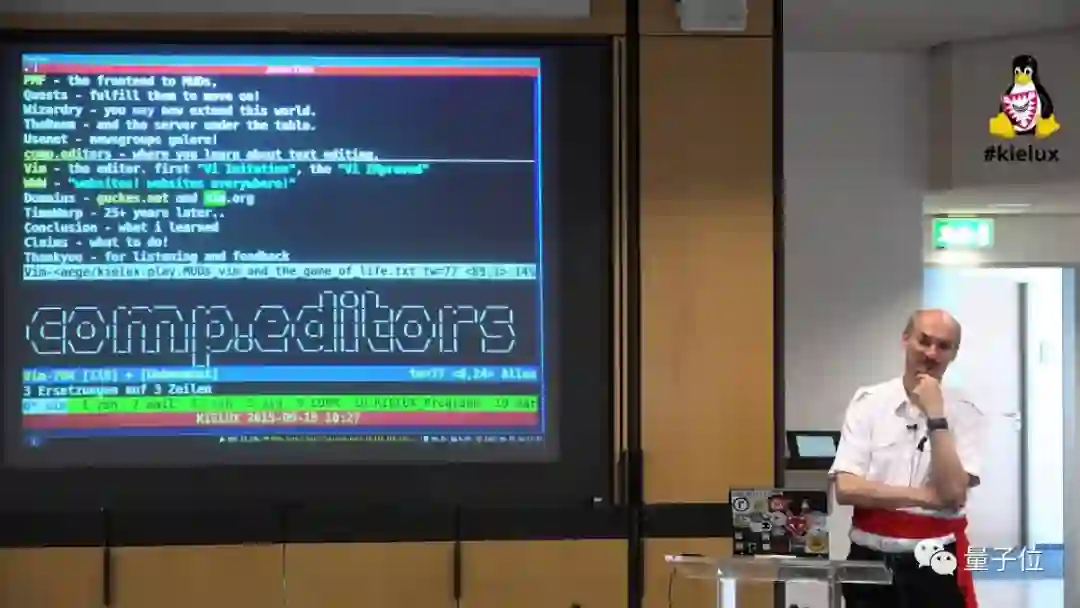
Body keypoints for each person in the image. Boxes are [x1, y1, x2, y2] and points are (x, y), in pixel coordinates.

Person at [829, 309, 987, 608]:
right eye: (924, 341)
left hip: (935, 562)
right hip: (869, 560)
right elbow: (847, 489)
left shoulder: (966, 411)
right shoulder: (869, 402)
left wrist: (936, 415)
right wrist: (927, 498)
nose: (932, 353)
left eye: (943, 346)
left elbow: (953, 494)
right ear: (905, 339)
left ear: (954, 353)